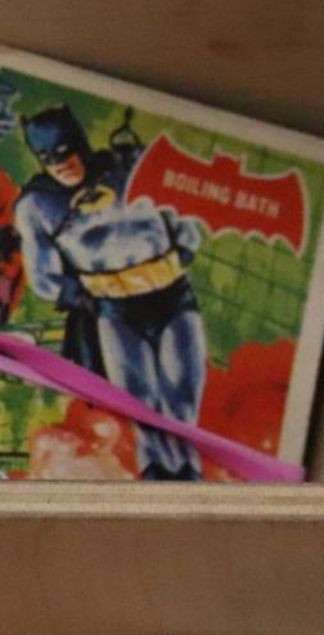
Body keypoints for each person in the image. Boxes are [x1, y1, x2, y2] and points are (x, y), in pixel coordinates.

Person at [13, 105, 206, 478]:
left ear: (80, 144)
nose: (62, 164)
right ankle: (156, 475)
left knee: (181, 403)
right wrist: (84, 295)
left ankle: (188, 473)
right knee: (141, 405)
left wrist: (182, 248)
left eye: (67, 151)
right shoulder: (38, 204)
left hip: (171, 296)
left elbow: (183, 220)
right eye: (49, 157)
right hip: (115, 312)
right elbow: (43, 275)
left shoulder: (129, 169)